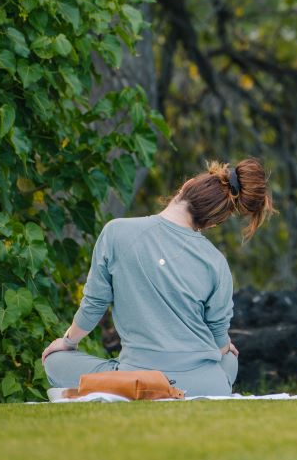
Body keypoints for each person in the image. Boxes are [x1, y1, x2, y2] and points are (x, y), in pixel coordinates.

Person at [42, 158, 274, 397]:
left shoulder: (115, 232)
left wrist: (67, 342)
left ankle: (137, 386)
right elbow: (218, 334)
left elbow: (94, 306)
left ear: (186, 186)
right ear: (211, 223)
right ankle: (174, 388)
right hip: (204, 385)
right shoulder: (216, 261)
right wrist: (225, 348)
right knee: (229, 360)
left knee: (55, 361)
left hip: (137, 377)